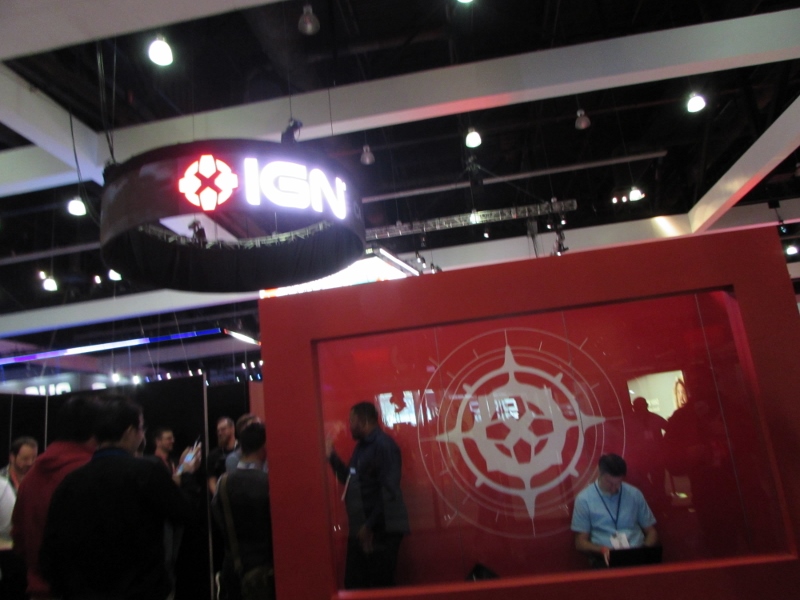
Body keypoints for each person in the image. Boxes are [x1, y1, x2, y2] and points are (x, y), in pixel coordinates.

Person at [39, 397, 201, 600]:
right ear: (129, 432)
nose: (142, 435)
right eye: (141, 428)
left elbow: (50, 551)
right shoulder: (146, 473)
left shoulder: (71, 481)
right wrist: (187, 475)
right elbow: (186, 511)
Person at [11, 395, 101, 600]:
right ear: (97, 429)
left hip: (40, 589)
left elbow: (19, 536)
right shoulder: (93, 471)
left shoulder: (32, 475)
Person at [325, 401, 409, 589]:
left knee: (379, 585)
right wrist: (332, 457)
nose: (349, 425)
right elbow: (350, 480)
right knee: (356, 584)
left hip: (380, 529)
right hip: (365, 526)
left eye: (351, 420)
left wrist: (369, 526)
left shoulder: (384, 446)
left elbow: (389, 491)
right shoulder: (362, 447)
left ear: (362, 420)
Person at [212, 421, 273, 600]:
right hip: (263, 571)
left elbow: (219, 517)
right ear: (264, 447)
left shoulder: (222, 483)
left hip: (233, 565)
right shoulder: (267, 483)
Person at [571, 453, 658, 567]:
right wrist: (602, 550)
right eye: (609, 483)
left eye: (618, 483)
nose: (614, 488)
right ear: (599, 473)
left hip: (636, 552)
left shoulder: (634, 494)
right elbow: (580, 543)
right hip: (604, 556)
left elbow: (651, 532)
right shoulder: (584, 499)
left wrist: (645, 549)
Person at [208, 417, 237, 495]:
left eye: (223, 429)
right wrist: (220, 497)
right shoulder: (213, 455)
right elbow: (212, 481)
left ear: (232, 429)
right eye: (218, 431)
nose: (220, 433)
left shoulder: (242, 450)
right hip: (222, 495)